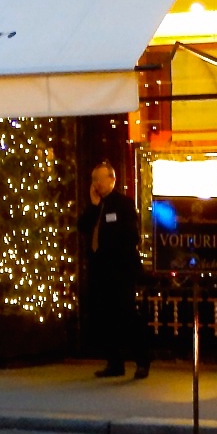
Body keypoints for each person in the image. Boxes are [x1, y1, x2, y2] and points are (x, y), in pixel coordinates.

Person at [78, 161, 150, 380]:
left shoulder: (123, 204)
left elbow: (131, 236)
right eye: (94, 180)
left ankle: (142, 361)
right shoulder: (94, 206)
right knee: (104, 315)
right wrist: (92, 205)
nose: (97, 184)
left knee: (126, 314)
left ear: (112, 179)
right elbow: (82, 227)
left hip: (120, 269)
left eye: (100, 179)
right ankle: (114, 361)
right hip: (100, 270)